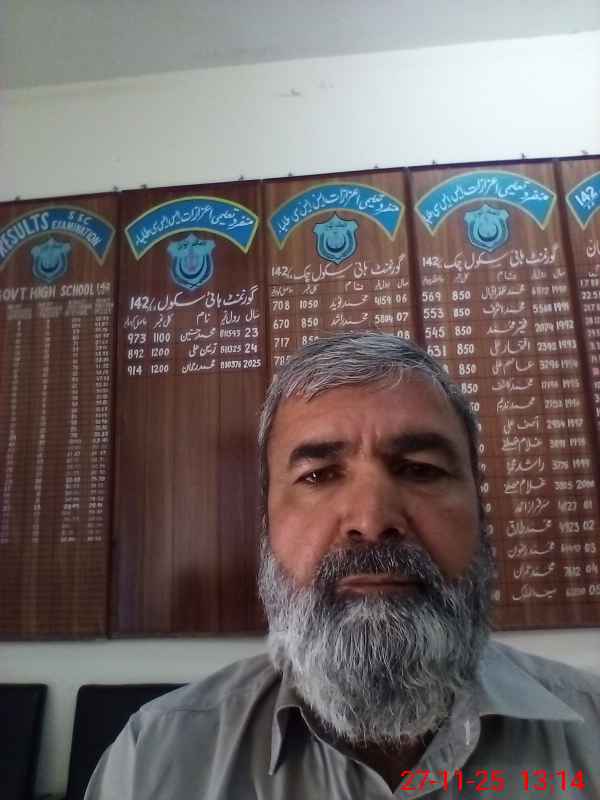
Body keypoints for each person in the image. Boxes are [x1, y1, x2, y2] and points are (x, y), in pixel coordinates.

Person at [86, 332, 600, 799]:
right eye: (318, 475)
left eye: (421, 469)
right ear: (268, 525)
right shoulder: (154, 760)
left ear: (480, 515)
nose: (371, 521)